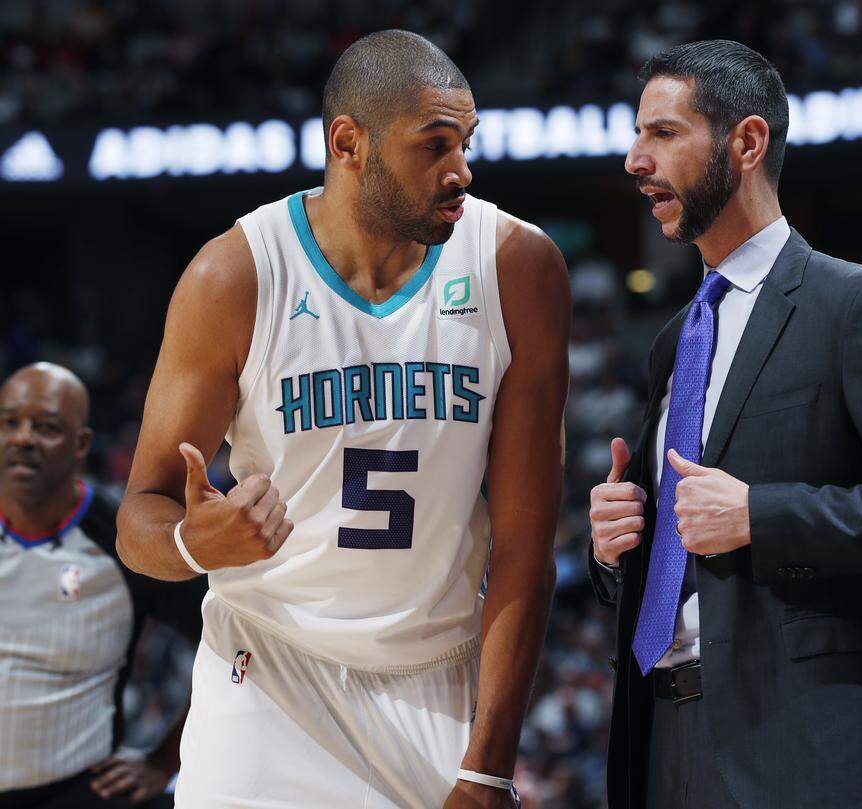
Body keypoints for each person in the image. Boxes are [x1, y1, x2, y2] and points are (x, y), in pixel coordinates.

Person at [114, 30, 569, 809]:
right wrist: (195, 540)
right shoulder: (234, 275)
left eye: (466, 142)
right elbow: (139, 517)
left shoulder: (516, 266)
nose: (461, 168)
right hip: (267, 674)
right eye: (434, 144)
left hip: (436, 679)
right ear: (348, 142)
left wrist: (489, 763)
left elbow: (526, 544)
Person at [587, 40, 862, 808]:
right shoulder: (675, 337)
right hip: (659, 733)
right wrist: (617, 544)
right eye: (638, 134)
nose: (635, 160)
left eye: (663, 133)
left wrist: (758, 514)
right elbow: (680, 546)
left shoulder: (851, 304)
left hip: (795, 741)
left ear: (746, 142)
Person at [0, 363, 204, 809]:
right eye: (9, 422)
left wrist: (164, 760)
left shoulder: (126, 536)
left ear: (81, 445)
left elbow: (226, 638)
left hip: (79, 791)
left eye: (47, 427)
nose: (23, 438)